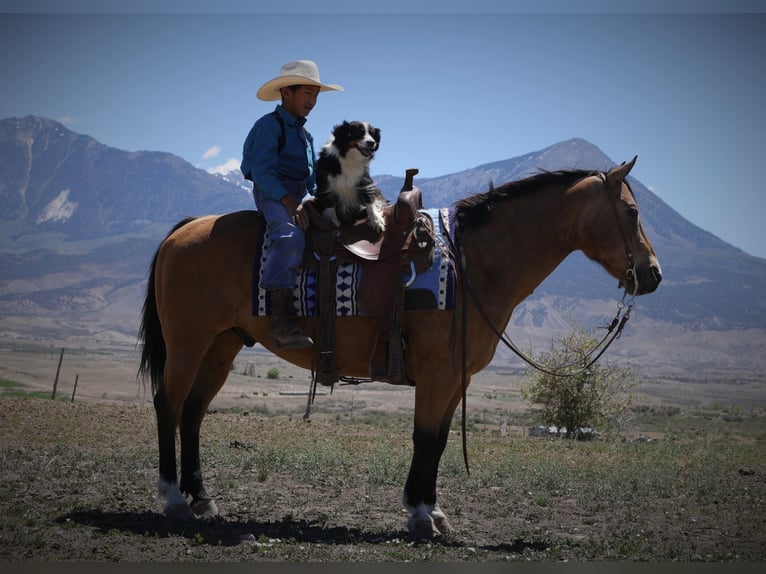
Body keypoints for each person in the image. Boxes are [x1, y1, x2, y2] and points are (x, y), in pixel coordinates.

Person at [241, 60, 344, 349]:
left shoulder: (305, 135)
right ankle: (281, 319)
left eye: (315, 95)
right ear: (286, 92)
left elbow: (310, 179)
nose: (312, 101)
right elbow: (261, 171)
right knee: (289, 236)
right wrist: (288, 201)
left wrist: (321, 198)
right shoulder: (267, 127)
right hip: (272, 192)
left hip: (299, 193)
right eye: (306, 93)